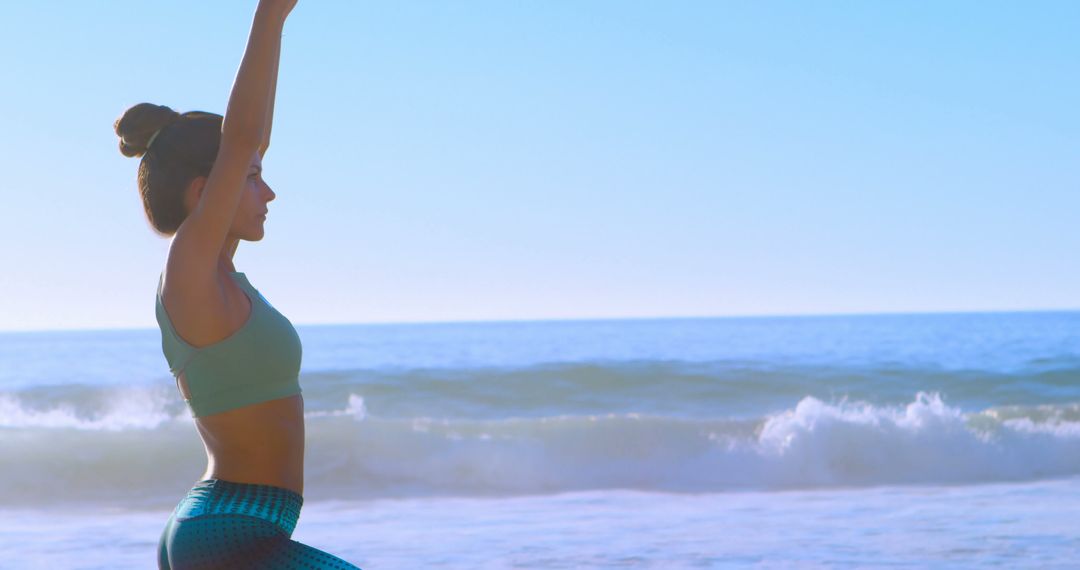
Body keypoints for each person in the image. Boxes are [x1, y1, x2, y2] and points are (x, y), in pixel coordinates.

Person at [114, 1, 360, 568]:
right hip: (226, 530)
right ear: (205, 193)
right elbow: (243, 136)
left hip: (241, 528)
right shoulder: (189, 272)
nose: (268, 193)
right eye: (251, 179)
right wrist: (270, 15)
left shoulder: (223, 279)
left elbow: (252, 139)